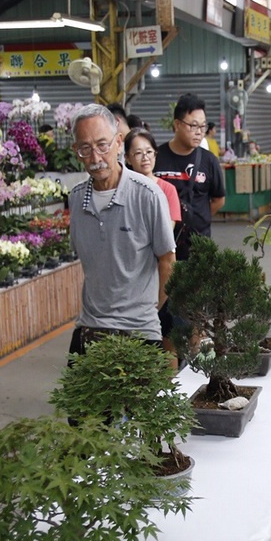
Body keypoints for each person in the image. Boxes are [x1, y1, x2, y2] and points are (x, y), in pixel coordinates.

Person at [67, 104, 176, 357]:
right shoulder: (75, 199)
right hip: (91, 326)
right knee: (79, 397)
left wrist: (149, 310)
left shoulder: (148, 195)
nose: (95, 158)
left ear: (118, 142)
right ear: (76, 151)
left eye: (102, 145)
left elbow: (168, 261)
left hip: (140, 330)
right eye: (85, 148)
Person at [124, 126, 183, 365]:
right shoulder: (123, 191)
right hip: (131, 276)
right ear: (127, 158)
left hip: (161, 273)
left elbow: (165, 235)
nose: (145, 157)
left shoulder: (166, 190)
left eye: (149, 151)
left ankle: (171, 392)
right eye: (138, 153)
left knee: (167, 337)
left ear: (156, 155)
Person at [153, 92, 226, 261]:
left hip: (199, 249)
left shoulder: (209, 161)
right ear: (177, 124)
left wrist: (197, 218)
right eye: (193, 126)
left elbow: (218, 200)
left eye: (202, 126)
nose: (199, 132)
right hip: (162, 248)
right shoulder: (157, 158)